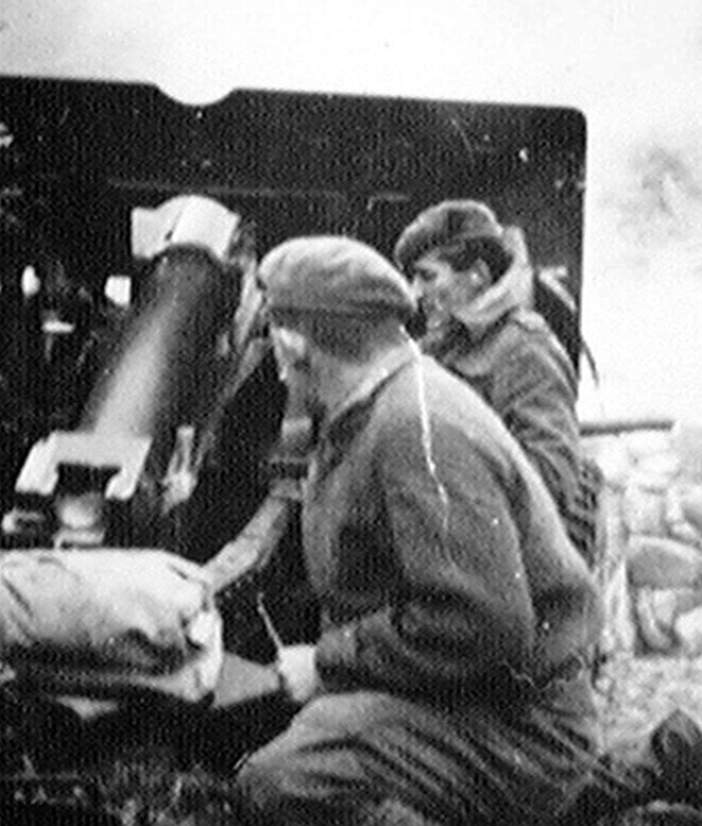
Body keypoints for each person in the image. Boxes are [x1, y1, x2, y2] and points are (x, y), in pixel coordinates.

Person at [231, 235, 605, 826]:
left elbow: (481, 622)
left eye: (271, 328)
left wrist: (329, 665)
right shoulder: (378, 406)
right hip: (478, 700)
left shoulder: (415, 427)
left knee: (288, 781)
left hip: (521, 728)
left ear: (293, 340)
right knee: (306, 736)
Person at [393, 200, 599, 561]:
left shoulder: (526, 350)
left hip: (519, 558)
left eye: (427, 276)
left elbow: (550, 482)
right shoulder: (443, 345)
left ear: (478, 274)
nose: (415, 293)